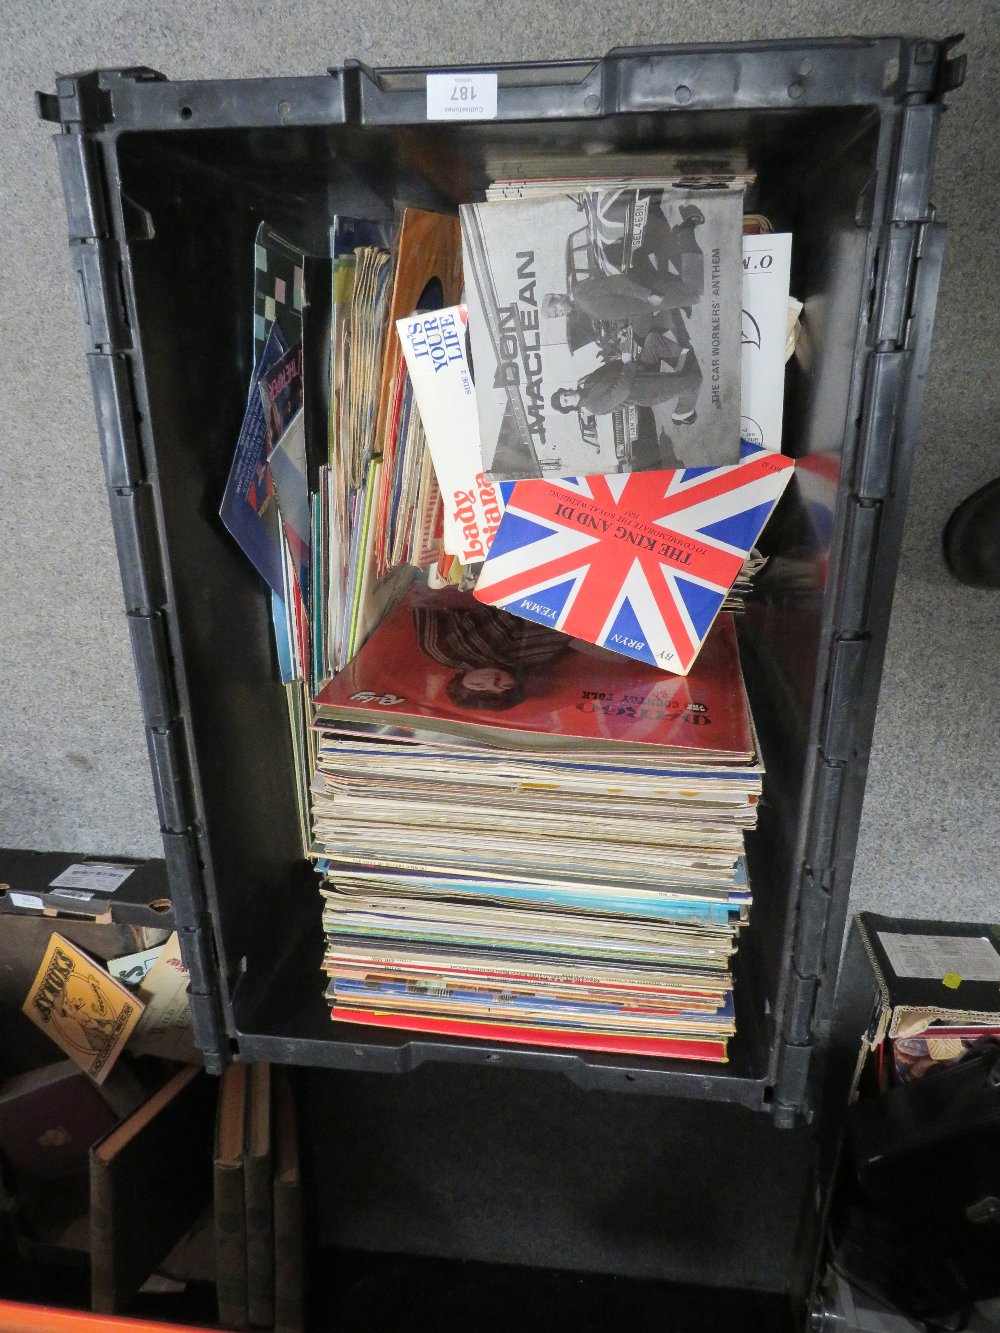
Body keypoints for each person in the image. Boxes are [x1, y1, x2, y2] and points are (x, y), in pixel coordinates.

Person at [411, 599, 567, 712]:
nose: (492, 680)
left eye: (478, 685)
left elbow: (422, 596)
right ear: (517, 683)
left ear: (459, 681)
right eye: (505, 686)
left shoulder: (441, 649)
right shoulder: (537, 656)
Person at [551, 345, 702, 424]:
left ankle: (681, 367)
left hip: (639, 373)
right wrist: (628, 364)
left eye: (564, 394)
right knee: (694, 381)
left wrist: (625, 361)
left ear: (567, 390)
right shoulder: (593, 406)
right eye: (565, 401)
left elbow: (611, 367)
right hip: (646, 391)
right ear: (570, 407)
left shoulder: (588, 382)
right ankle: (682, 413)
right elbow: (622, 391)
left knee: (653, 340)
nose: (567, 396)